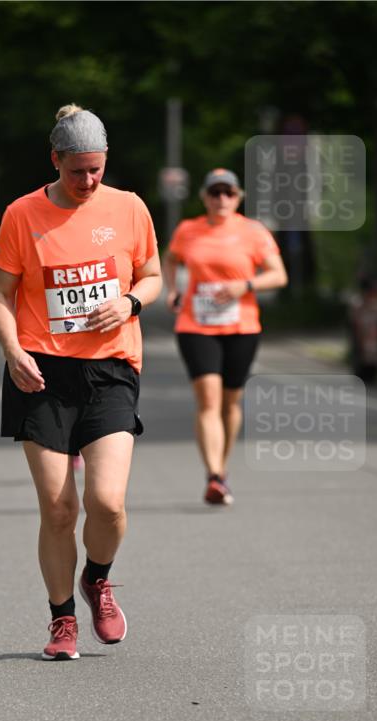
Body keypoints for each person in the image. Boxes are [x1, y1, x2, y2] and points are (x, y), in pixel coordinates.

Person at [0, 104, 161, 661]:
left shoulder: (130, 208)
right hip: (40, 370)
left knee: (106, 503)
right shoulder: (21, 215)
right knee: (59, 509)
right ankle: (62, 619)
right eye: (76, 170)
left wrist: (130, 302)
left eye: (97, 170)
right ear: (55, 159)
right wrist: (12, 351)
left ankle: (99, 580)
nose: (88, 182)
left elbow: (154, 275)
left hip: (110, 367)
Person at [163, 167, 287, 505]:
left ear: (238, 197)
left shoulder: (253, 231)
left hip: (242, 326)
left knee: (230, 404)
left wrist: (243, 285)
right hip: (196, 326)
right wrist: (173, 289)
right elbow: (170, 259)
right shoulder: (188, 230)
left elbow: (278, 275)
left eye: (228, 193)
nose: (221, 198)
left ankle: (223, 466)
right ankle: (214, 476)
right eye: (214, 192)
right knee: (208, 400)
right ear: (204, 197)